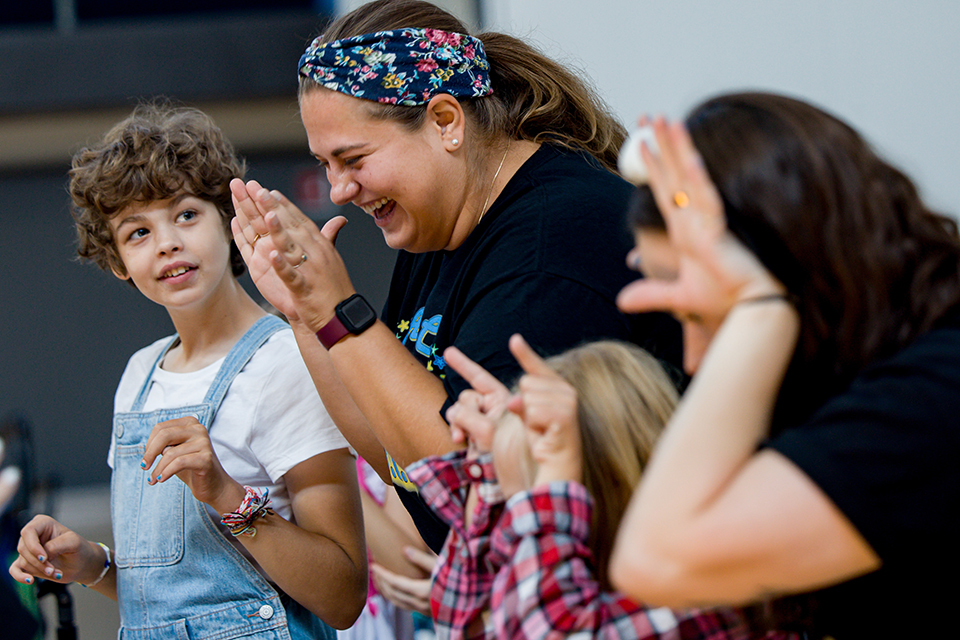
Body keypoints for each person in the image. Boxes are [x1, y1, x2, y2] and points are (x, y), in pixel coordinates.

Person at [230, 0, 680, 553]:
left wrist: (338, 312)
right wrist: (306, 315)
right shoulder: (441, 226)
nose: (338, 189)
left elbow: (471, 479)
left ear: (446, 122)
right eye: (324, 164)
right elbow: (397, 449)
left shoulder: (553, 243)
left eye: (353, 158)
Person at [607, 93, 960, 638]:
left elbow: (656, 562)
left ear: (795, 267)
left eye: (701, 316)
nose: (697, 361)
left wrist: (758, 308)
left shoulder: (938, 391)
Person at [7, 104, 367, 639]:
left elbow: (342, 597)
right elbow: (174, 600)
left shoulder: (286, 362)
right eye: (137, 233)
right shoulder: (138, 375)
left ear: (228, 219)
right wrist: (93, 564)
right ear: (116, 263)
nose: (168, 242)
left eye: (185, 214)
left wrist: (225, 493)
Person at [405, 336, 775, 639]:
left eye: (526, 508)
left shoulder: (705, 603)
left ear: (592, 491)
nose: (515, 531)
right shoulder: (556, 589)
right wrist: (490, 466)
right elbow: (462, 628)